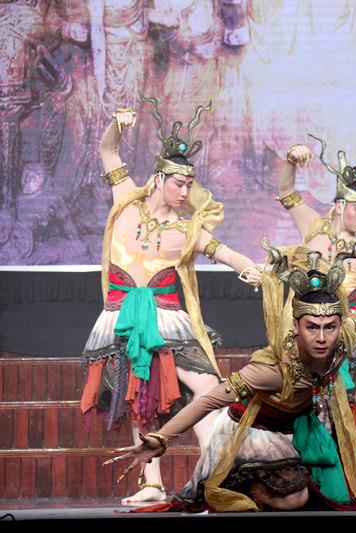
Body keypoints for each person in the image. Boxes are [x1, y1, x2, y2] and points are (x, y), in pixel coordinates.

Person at [107, 240, 356, 512]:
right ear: (296, 328)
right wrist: (161, 438)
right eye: (312, 328)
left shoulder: (345, 333)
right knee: (293, 499)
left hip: (312, 417)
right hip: (262, 432)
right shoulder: (273, 371)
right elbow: (210, 399)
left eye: (330, 327)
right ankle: (243, 482)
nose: (322, 337)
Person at [80, 96, 263, 503]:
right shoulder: (126, 198)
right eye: (179, 183)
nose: (185, 191)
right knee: (138, 394)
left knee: (208, 385)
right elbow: (108, 150)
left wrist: (250, 268)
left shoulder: (187, 229)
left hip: (167, 319)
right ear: (159, 178)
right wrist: (118, 124)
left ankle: (212, 474)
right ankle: (151, 483)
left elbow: (226, 251)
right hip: (123, 316)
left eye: (190, 185)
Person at [274, 136, 356, 494]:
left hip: (354, 330)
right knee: (311, 405)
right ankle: (316, 474)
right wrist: (291, 160)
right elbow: (286, 190)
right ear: (338, 206)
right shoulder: (313, 228)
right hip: (313, 331)